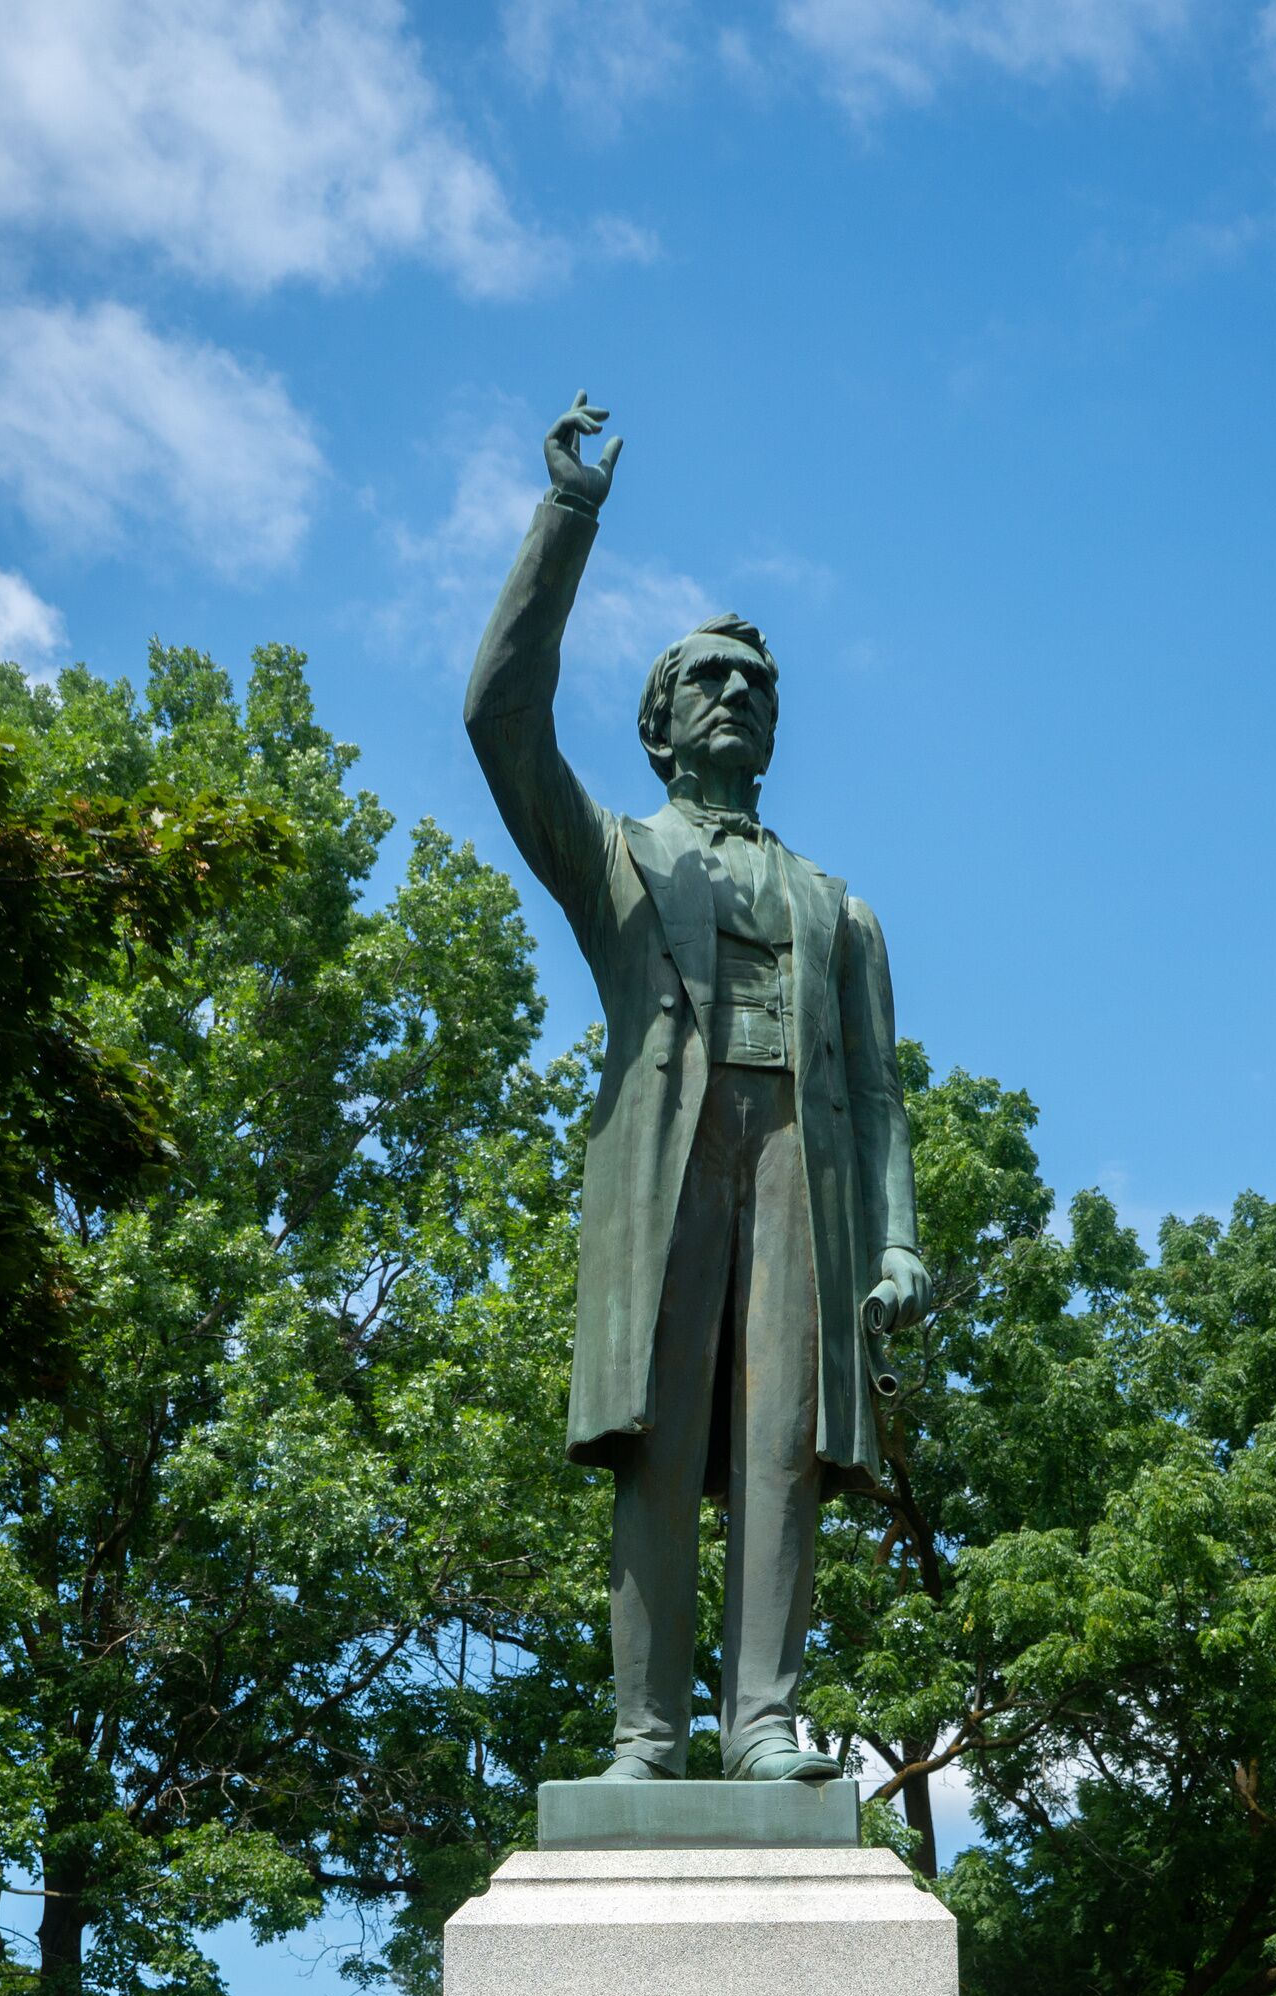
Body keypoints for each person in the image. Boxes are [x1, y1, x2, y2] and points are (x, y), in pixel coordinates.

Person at [464, 395, 933, 1783]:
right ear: (659, 727)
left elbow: (882, 1101)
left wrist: (899, 1235)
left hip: (805, 1171)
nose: (735, 694)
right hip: (669, 1165)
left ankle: (766, 1724)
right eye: (706, 681)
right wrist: (567, 519)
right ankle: (644, 1741)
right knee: (659, 1449)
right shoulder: (614, 858)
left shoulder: (837, 911)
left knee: (783, 1450)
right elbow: (497, 716)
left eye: (755, 683)